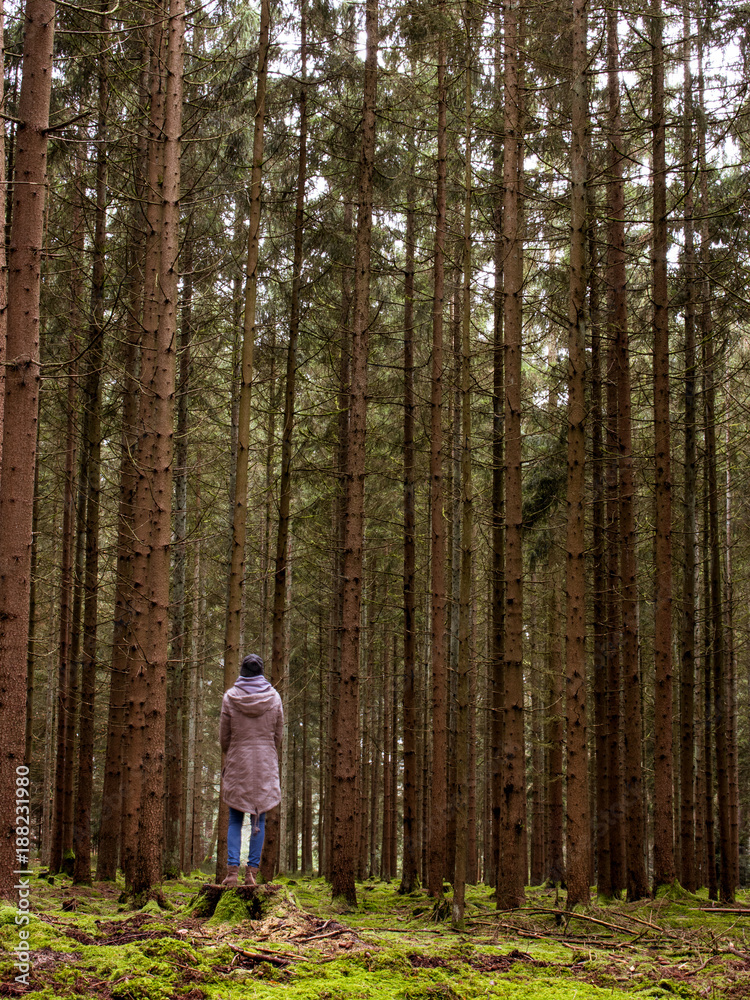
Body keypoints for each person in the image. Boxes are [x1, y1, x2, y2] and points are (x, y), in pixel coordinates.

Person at [219, 652, 283, 886]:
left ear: (243, 672)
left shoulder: (230, 697)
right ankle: (251, 875)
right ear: (261, 673)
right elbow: (278, 735)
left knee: (235, 819)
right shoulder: (274, 698)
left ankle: (232, 873)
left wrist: (235, 751)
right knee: (259, 819)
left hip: (238, 762)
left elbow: (224, 738)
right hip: (265, 762)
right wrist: (267, 750)